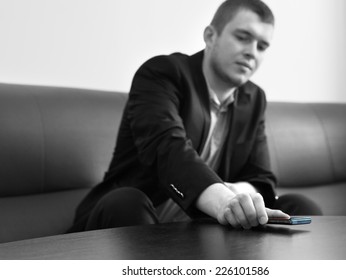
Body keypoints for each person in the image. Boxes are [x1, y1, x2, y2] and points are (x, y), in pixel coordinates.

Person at [68, 0, 321, 233]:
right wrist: (223, 199)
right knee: (125, 201)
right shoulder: (161, 74)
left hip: (199, 229)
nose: (252, 52)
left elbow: (262, 177)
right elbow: (168, 149)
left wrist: (238, 193)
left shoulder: (254, 99)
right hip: (130, 219)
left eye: (262, 46)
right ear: (211, 36)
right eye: (243, 38)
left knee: (299, 206)